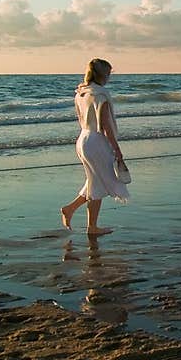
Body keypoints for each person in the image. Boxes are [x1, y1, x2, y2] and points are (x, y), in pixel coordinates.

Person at [60, 58, 129, 235]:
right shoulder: (100, 94)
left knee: (94, 182)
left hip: (83, 139)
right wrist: (118, 151)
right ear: (102, 74)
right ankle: (91, 227)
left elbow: (81, 120)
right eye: (108, 73)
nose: (109, 77)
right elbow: (105, 125)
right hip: (97, 141)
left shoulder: (81, 93)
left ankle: (72, 210)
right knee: (99, 184)